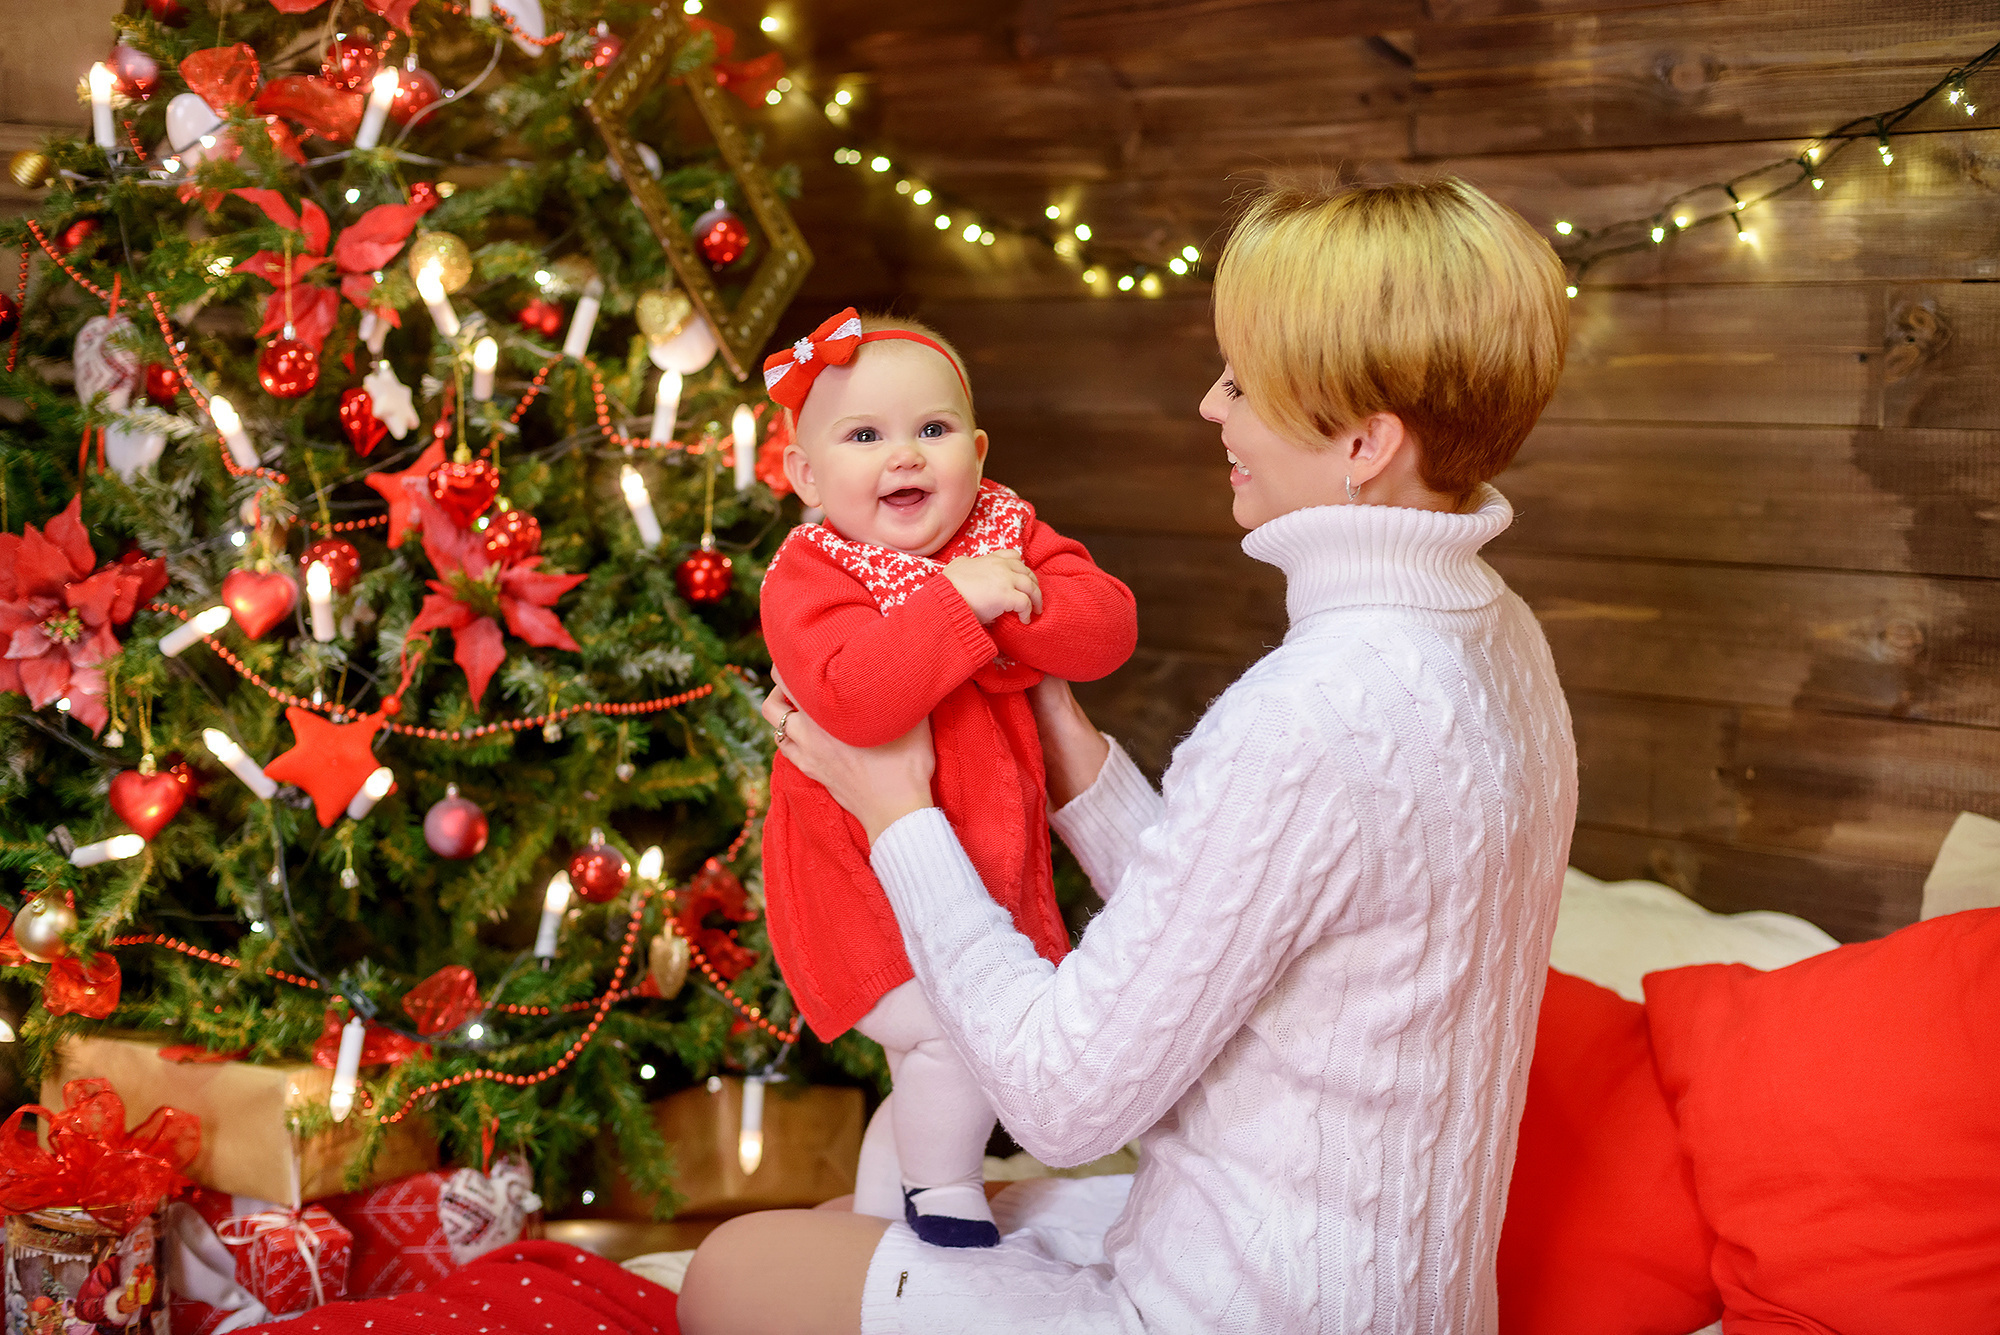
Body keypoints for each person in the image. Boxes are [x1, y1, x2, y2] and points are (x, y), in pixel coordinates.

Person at [680, 178, 1578, 1334]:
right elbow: (1240, 904)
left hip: (1232, 1311)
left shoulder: (1309, 713)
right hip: (1391, 1296)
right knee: (875, 1220)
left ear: (1362, 443)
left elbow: (1061, 1102)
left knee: (734, 1269)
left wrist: (894, 807)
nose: (1211, 407)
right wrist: (1075, 760)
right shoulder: (1499, 640)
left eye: (1241, 383)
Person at [756, 309, 1138, 1248]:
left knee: (941, 1052)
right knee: (954, 1040)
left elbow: (1104, 628)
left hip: (982, 872)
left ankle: (879, 1226)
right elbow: (854, 700)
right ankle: (943, 1196)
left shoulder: (1003, 531)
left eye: (931, 430)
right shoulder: (810, 574)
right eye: (864, 436)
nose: (905, 457)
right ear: (806, 477)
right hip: (859, 879)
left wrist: (1003, 611)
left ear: (976, 450)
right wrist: (958, 603)